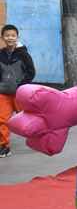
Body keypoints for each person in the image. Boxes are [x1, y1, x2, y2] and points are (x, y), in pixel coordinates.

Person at [0, 24, 36, 158]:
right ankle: (4, 146)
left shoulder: (23, 54)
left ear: (17, 37)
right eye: (7, 35)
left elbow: (31, 72)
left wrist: (22, 85)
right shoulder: (0, 54)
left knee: (28, 118)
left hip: (20, 94)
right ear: (2, 38)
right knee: (2, 120)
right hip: (3, 93)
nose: (10, 38)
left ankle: (39, 138)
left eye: (13, 35)